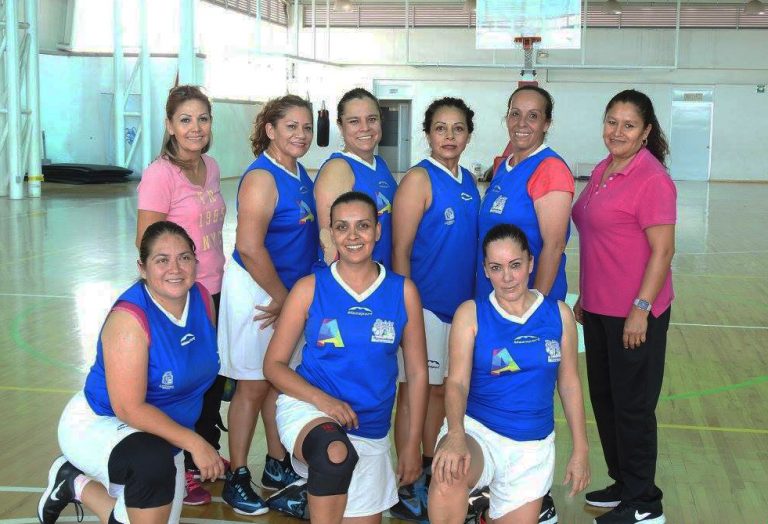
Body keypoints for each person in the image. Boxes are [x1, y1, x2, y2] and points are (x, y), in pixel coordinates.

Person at [38, 221, 223, 524]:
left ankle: (72, 482)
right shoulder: (129, 320)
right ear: (142, 268)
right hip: (102, 422)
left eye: (184, 257)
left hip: (163, 435)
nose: (175, 268)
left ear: (196, 262)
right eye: (162, 260)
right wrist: (195, 442)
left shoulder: (202, 299)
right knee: (152, 465)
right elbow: (129, 408)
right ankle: (75, 475)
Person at [262, 191, 429, 523]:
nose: (353, 236)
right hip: (310, 408)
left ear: (377, 230)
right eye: (342, 227)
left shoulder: (403, 291)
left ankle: (310, 493)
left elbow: (417, 374)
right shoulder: (309, 288)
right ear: (331, 233)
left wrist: (412, 445)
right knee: (334, 454)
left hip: (370, 427)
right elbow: (273, 366)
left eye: (363, 226)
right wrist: (323, 400)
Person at [428, 223, 590, 524]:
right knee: (449, 472)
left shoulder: (559, 315)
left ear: (530, 263)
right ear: (486, 271)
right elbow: (458, 382)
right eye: (496, 267)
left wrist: (581, 449)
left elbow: (569, 384)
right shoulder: (470, 313)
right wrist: (455, 434)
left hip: (531, 446)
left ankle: (483, 515)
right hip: (478, 431)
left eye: (515, 265)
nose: (507, 277)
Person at [572, 89, 676, 524]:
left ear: (645, 131)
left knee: (633, 407)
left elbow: (663, 251)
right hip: (599, 309)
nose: (617, 131)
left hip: (634, 315)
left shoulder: (651, 178)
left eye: (629, 125)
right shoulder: (604, 169)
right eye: (611, 121)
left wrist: (641, 308)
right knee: (607, 401)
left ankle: (645, 503)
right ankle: (624, 484)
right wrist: (585, 295)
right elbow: (602, 239)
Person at [217, 95, 319, 515]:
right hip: (258, 292)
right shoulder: (262, 177)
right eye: (291, 126)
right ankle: (238, 475)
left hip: (284, 292)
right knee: (253, 385)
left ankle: (277, 463)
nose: (301, 134)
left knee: (278, 381)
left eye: (307, 127)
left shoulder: (298, 172)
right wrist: (283, 298)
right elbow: (249, 246)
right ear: (270, 129)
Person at [136, 84, 228, 506]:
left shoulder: (211, 167)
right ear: (170, 125)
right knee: (183, 385)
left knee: (210, 380)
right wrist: (171, 297)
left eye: (203, 119)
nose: (196, 127)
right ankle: (184, 465)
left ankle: (205, 452)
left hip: (215, 291)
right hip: (180, 297)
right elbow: (146, 243)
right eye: (186, 119)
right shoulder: (160, 174)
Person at [390, 97, 480, 522]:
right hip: (422, 307)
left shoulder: (468, 181)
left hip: (458, 309)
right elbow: (400, 250)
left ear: (468, 135)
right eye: (440, 128)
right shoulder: (418, 180)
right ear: (427, 134)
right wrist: (406, 313)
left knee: (443, 392)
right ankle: (408, 481)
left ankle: (430, 468)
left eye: (458, 128)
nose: (449, 136)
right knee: (415, 392)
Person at [476, 85, 574, 302]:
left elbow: (554, 246)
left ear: (546, 123)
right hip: (494, 296)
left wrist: (534, 306)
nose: (522, 123)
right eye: (515, 114)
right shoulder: (505, 167)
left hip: (526, 302)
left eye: (533, 116)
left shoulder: (550, 168)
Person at [314, 88, 397, 269]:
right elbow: (330, 241)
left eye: (372, 119)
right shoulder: (338, 169)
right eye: (354, 121)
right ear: (340, 126)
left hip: (380, 273)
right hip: (353, 279)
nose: (365, 128)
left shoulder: (380, 164)